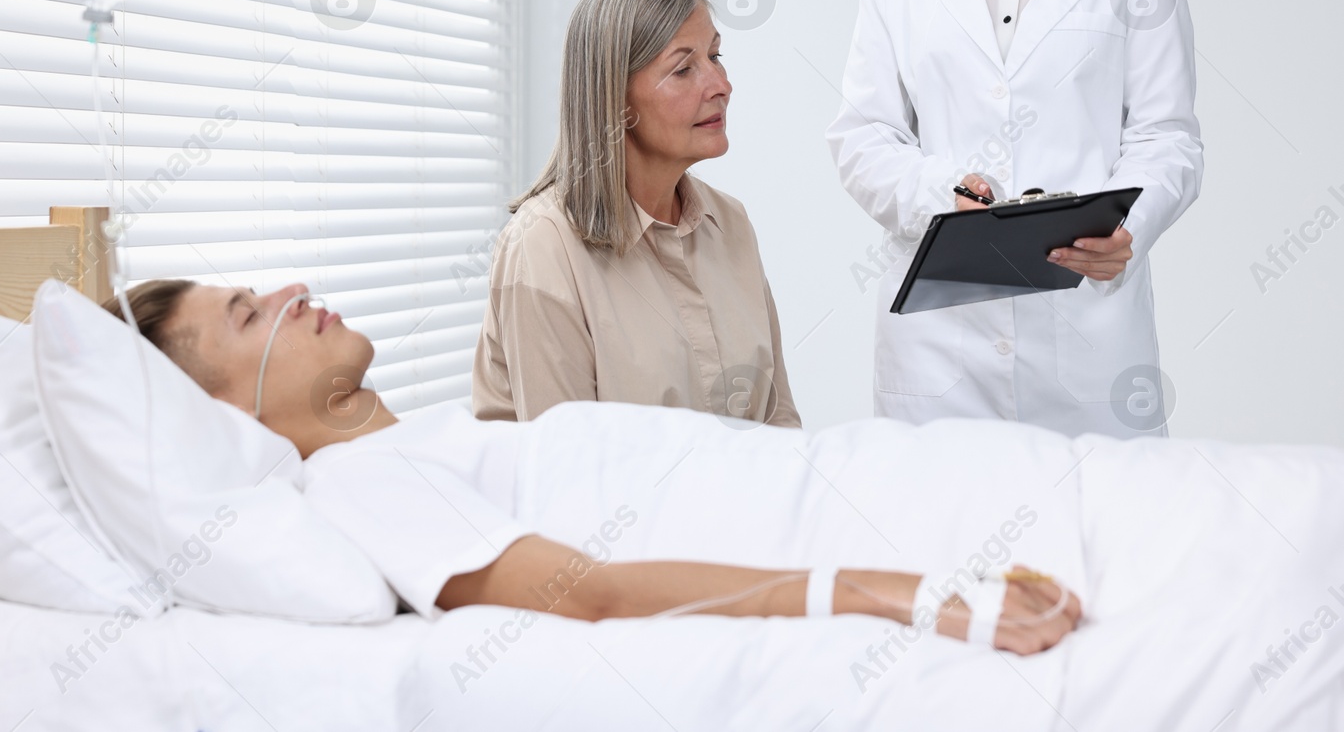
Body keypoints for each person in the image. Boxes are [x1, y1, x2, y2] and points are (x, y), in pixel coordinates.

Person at [104, 278, 1077, 654]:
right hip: (837, 528)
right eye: (247, 315)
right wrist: (905, 591)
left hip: (851, 481)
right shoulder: (357, 486)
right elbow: (590, 593)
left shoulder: (408, 446)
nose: (290, 292)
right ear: (217, 410)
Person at [826, 0, 1203, 438]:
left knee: (1102, 534)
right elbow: (862, 137)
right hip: (941, 343)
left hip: (1088, 330)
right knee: (937, 535)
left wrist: (1130, 227)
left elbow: (1167, 137)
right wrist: (943, 190)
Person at [471, 0, 800, 428]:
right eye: (684, 69)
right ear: (615, 98)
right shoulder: (542, 245)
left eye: (715, 56)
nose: (721, 85)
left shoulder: (731, 223)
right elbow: (568, 468)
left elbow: (778, 418)